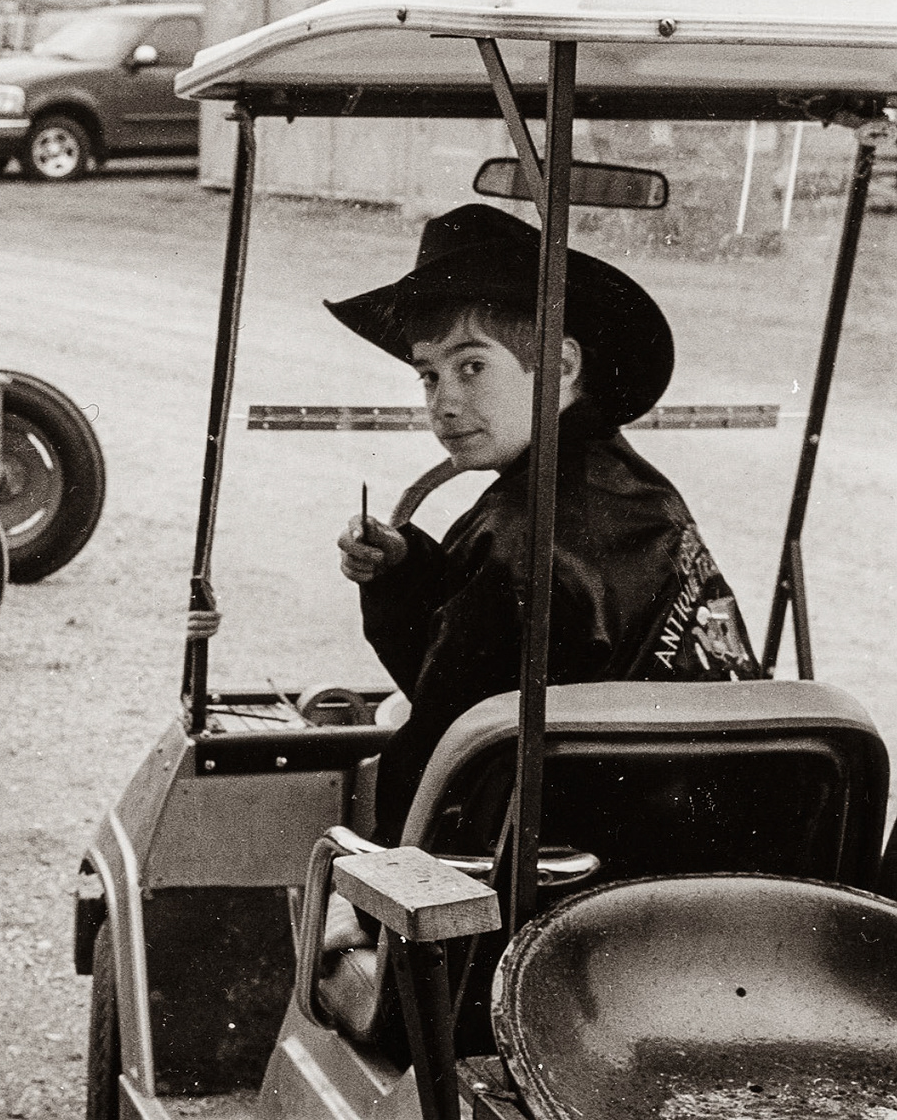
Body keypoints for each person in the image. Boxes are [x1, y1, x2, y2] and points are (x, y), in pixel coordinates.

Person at [191, 203, 760, 848]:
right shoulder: (642, 491)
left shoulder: (517, 532)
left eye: (471, 367)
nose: (444, 403)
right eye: (429, 375)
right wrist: (407, 569)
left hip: (557, 874)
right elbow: (526, 642)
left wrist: (375, 918)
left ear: (562, 367)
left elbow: (443, 739)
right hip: (709, 827)